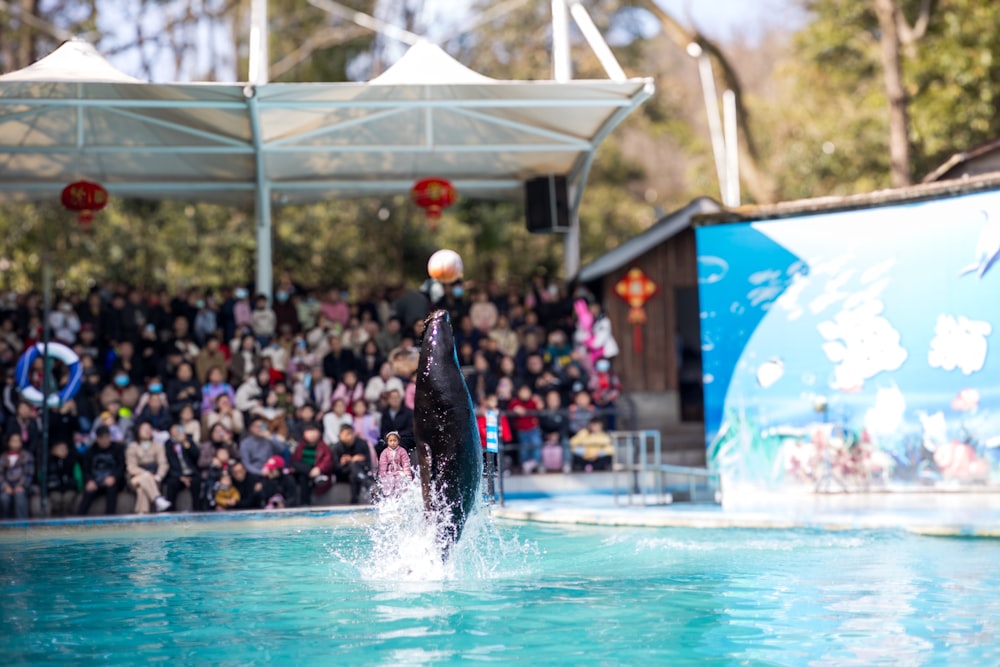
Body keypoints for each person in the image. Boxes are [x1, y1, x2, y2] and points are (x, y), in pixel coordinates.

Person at [125, 421, 172, 513]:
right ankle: (157, 498)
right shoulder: (132, 447)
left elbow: (163, 463)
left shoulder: (158, 446)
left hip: (154, 479)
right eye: (144, 429)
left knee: (142, 489)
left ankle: (142, 514)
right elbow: (131, 467)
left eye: (149, 429)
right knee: (145, 477)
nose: (147, 431)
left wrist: (158, 476)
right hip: (135, 478)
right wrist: (145, 473)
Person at [78, 425, 125, 515]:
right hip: (95, 480)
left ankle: (110, 518)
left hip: (112, 480)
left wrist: (114, 477)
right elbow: (86, 469)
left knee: (111, 490)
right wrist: (89, 480)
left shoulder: (118, 449)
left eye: (106, 437)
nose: (104, 440)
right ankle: (79, 518)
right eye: (102, 438)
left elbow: (121, 466)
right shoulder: (91, 451)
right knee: (88, 492)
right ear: (97, 439)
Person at [290, 421, 334, 506]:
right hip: (305, 471)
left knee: (305, 477)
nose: (311, 434)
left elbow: (328, 461)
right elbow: (295, 461)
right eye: (309, 431)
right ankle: (304, 504)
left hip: (318, 470)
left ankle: (305, 503)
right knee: (301, 473)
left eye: (314, 431)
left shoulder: (324, 447)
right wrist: (310, 471)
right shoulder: (300, 446)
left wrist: (319, 469)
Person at [331, 423, 374, 504]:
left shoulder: (362, 443)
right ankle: (367, 484)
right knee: (353, 466)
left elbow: (368, 464)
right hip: (343, 475)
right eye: (346, 434)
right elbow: (335, 468)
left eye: (351, 433)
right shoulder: (337, 447)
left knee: (354, 473)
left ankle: (354, 500)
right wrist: (343, 462)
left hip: (358, 472)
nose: (349, 436)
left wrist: (356, 461)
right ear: (340, 435)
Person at [164, 422, 202, 511]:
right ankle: (170, 510)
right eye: (174, 429)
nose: (177, 431)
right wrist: (180, 476)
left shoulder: (188, 440)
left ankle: (197, 511)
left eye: (179, 429)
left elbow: (196, 455)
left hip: (191, 473)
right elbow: (170, 462)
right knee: (172, 484)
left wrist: (185, 443)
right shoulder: (168, 444)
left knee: (197, 482)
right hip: (177, 474)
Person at [508, 384, 544, 474]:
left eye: (527, 391)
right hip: (522, 431)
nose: (525, 394)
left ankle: (536, 463)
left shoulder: (533, 401)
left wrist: (540, 403)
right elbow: (511, 408)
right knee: (524, 448)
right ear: (519, 393)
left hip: (533, 429)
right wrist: (516, 409)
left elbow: (540, 409)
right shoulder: (515, 402)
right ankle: (524, 464)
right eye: (522, 392)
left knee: (536, 444)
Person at [0, 432, 34, 519]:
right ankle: (5, 524)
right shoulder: (3, 457)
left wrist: (21, 485)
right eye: (13, 441)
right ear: (8, 442)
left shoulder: (26, 456)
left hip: (22, 486)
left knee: (19, 496)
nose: (15, 443)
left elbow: (28, 473)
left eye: (18, 441)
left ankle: (22, 525)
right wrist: (5, 486)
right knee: (4, 498)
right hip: (6, 487)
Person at [46, 440, 82, 517]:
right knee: (56, 499)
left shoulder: (72, 461)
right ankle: (55, 520)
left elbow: (78, 477)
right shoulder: (49, 462)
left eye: (65, 449)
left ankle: (67, 520)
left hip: (69, 488)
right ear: (54, 450)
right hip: (55, 488)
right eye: (60, 449)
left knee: (67, 499)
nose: (63, 451)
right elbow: (44, 477)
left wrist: (78, 487)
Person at [378, 388, 414, 457]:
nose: (395, 400)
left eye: (397, 397)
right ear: (388, 400)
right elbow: (383, 430)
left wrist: (397, 435)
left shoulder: (409, 412)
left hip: (405, 438)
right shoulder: (385, 413)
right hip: (390, 439)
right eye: (392, 398)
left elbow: (410, 429)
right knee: (379, 446)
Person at [376, 431, 412, 499]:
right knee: (388, 482)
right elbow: (383, 465)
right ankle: (389, 497)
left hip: (399, 471)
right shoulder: (384, 452)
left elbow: (405, 463)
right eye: (390, 441)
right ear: (387, 442)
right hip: (389, 472)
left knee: (401, 481)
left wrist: (408, 475)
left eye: (394, 440)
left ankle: (401, 497)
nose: (392, 443)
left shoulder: (402, 451)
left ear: (398, 441)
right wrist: (382, 476)